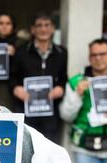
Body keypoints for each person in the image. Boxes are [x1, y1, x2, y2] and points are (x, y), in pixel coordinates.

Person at [10, 13, 67, 144]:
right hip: (26, 111)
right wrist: (16, 88)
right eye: (39, 25)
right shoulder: (21, 52)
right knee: (27, 149)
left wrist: (61, 88)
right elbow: (12, 77)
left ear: (53, 29)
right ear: (33, 29)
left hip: (50, 114)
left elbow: (63, 77)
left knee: (50, 151)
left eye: (47, 25)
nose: (43, 29)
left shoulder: (61, 52)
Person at [0, 14, 28, 110]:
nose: (4, 26)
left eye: (8, 23)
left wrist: (16, 53)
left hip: (11, 86)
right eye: (1, 23)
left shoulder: (21, 43)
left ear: (13, 25)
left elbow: (26, 65)